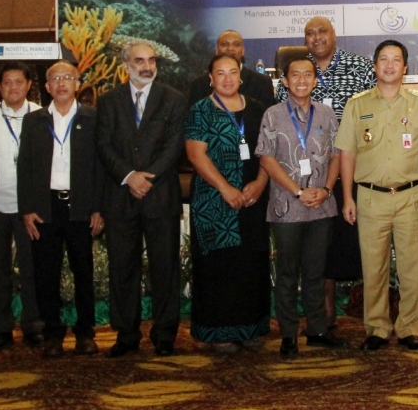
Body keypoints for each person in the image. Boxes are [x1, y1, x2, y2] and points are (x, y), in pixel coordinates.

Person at [337, 40, 418, 352]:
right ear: (375, 65)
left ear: (405, 67)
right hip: (369, 197)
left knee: (411, 267)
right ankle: (377, 328)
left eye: (396, 60)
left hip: (411, 195)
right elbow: (347, 153)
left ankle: (409, 328)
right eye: (384, 59)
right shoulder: (358, 104)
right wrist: (347, 197)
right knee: (374, 267)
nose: (390, 65)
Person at [279, 17, 376, 331]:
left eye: (322, 31)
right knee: (313, 244)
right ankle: (323, 312)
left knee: (340, 242)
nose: (316, 37)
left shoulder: (360, 67)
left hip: (349, 169)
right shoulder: (297, 70)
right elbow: (282, 121)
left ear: (334, 35)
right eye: (310, 33)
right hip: (306, 178)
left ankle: (348, 311)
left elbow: (374, 114)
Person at [96, 41, 188, 357]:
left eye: (151, 60)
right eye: (139, 61)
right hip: (120, 196)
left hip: (159, 194)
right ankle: (126, 335)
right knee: (123, 268)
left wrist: (147, 177)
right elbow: (103, 145)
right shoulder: (108, 102)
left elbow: (175, 146)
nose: (147, 66)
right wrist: (129, 176)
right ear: (126, 65)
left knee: (165, 268)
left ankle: (164, 336)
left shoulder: (174, 99)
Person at [256, 57, 346, 357]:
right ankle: (288, 334)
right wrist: (298, 191)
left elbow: (336, 155)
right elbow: (267, 159)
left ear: (315, 80)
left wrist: (326, 189)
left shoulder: (326, 113)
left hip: (321, 205)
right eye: (295, 75)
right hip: (286, 207)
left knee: (316, 272)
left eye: (308, 75)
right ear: (285, 81)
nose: (302, 80)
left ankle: (318, 330)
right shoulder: (272, 115)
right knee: (287, 273)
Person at [185, 53, 272, 353]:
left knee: (250, 263)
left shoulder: (259, 110)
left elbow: (268, 153)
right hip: (214, 201)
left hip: (253, 198)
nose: (226, 78)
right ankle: (218, 332)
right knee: (219, 266)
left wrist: (261, 183)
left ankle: (251, 329)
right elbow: (196, 154)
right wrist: (224, 188)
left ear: (241, 76)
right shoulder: (200, 110)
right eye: (219, 73)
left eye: (232, 72)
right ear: (210, 78)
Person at [19, 61, 104, 358]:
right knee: (46, 274)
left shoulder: (93, 118)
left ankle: (85, 333)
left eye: (68, 77)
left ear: (77, 83)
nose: (62, 83)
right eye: (55, 79)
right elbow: (25, 168)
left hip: (81, 206)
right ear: (46, 86)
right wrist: (26, 209)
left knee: (83, 271)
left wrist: (98, 208)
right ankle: (53, 333)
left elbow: (100, 167)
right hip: (45, 207)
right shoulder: (34, 121)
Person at [0, 61, 43, 351]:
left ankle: (34, 326)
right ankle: (1, 329)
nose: (13, 87)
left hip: (31, 208)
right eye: (7, 82)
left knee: (32, 268)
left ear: (28, 85)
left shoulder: (42, 116)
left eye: (19, 82)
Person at [189, 30, 275, 108]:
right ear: (216, 50)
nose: (230, 48)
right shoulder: (198, 85)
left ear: (243, 51)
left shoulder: (262, 84)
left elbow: (268, 121)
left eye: (236, 44)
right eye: (224, 44)